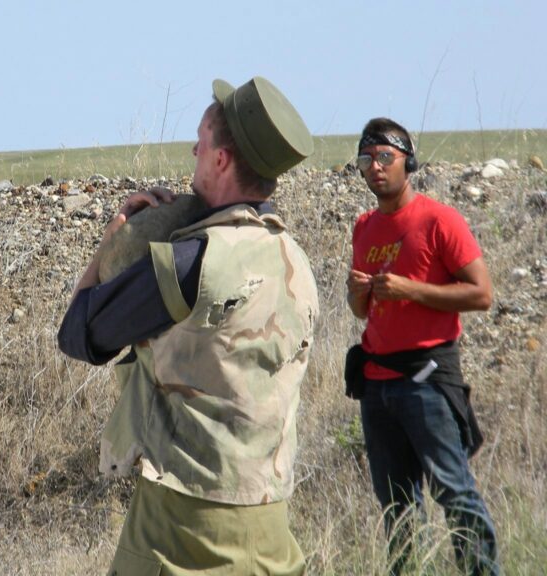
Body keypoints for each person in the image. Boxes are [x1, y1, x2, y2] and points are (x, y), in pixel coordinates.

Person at [59, 76, 318, 575]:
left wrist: (115, 240)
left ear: (220, 160)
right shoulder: (296, 260)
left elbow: (78, 334)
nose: (193, 150)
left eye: (201, 140)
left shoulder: (190, 262)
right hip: (270, 530)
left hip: (179, 531)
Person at [346, 118, 499, 575]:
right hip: (376, 385)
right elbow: (362, 311)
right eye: (366, 160)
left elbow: (482, 294)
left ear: (408, 162)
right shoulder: (364, 227)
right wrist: (357, 294)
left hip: (427, 381)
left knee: (455, 495)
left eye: (385, 157)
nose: (375, 167)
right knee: (397, 508)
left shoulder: (439, 220)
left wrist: (410, 289)